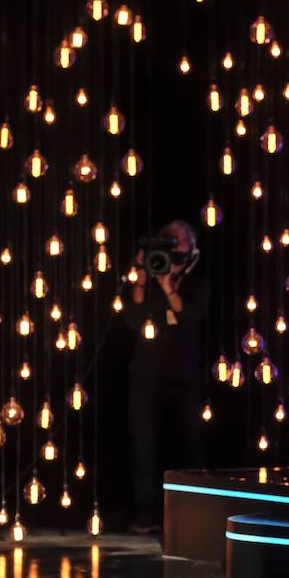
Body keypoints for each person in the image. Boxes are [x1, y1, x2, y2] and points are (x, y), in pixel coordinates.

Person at [126, 220, 209, 532]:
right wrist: (141, 276)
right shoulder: (147, 274)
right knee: (143, 446)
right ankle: (145, 515)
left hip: (184, 374)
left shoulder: (196, 280)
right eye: (168, 241)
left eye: (179, 242)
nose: (173, 249)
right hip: (146, 372)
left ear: (190, 247)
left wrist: (168, 287)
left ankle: (194, 514)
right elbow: (132, 318)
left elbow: (190, 316)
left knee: (190, 443)